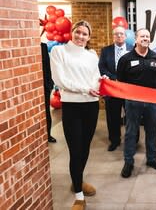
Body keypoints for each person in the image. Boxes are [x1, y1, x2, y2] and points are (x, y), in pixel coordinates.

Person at [50, 20, 101, 210]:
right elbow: (60, 80)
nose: (81, 36)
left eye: (85, 34)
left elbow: (95, 77)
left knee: (85, 147)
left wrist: (100, 83)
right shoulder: (59, 52)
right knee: (75, 149)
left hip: (91, 106)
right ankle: (79, 196)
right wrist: (85, 89)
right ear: (72, 32)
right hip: (72, 106)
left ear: (89, 37)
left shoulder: (92, 54)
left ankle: (76, 181)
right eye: (78, 32)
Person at [117, 28, 156, 178]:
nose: (145, 38)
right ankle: (129, 162)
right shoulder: (125, 59)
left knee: (152, 131)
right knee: (131, 132)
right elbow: (121, 80)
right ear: (136, 39)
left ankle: (151, 159)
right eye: (142, 36)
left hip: (152, 103)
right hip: (133, 102)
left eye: (147, 36)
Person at [98, 26, 133, 151]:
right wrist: (115, 79)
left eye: (121, 34)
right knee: (113, 116)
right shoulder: (106, 50)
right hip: (112, 89)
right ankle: (114, 140)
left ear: (125, 36)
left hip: (128, 89)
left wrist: (124, 80)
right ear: (113, 36)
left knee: (131, 116)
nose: (119, 36)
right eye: (116, 34)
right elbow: (102, 67)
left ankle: (132, 140)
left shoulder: (132, 49)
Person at [40, 42, 56, 143]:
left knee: (46, 111)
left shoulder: (43, 46)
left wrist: (49, 84)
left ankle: (48, 134)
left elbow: (47, 65)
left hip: (44, 86)